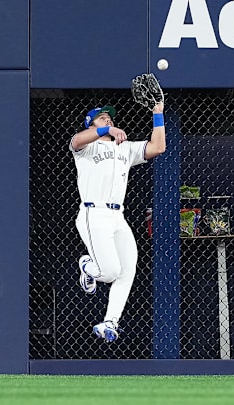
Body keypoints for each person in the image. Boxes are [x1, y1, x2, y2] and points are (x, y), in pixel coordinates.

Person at [70, 101, 166, 342]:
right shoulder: (87, 149)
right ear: (91, 124)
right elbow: (76, 141)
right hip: (94, 213)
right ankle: (87, 266)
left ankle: (110, 321)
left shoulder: (125, 148)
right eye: (102, 118)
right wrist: (105, 131)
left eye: (109, 119)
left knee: (127, 270)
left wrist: (158, 114)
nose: (108, 120)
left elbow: (158, 147)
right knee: (110, 271)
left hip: (117, 216)